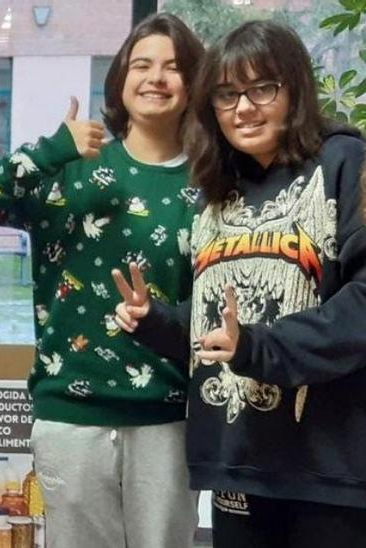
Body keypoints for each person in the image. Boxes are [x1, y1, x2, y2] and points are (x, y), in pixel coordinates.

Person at [0, 13, 203, 547]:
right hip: (71, 414)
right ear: (120, 80)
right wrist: (49, 151)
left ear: (193, 84)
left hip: (169, 417)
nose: (156, 77)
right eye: (143, 65)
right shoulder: (71, 167)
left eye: (174, 68)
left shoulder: (209, 184)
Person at [115, 20, 366, 546]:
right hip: (237, 460)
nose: (243, 109)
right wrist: (156, 320)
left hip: (330, 467)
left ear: (294, 90)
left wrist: (258, 346)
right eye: (226, 95)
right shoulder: (217, 190)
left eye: (262, 89)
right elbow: (219, 328)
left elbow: (359, 308)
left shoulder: (346, 162)